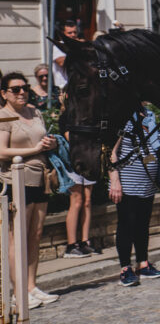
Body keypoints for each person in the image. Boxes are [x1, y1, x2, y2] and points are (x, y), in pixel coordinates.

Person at [0, 72, 60, 309]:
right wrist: (34, 149)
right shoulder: (4, 117)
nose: (22, 92)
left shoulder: (34, 112)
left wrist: (50, 143)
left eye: (24, 88)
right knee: (18, 237)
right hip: (17, 178)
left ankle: (32, 286)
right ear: (4, 93)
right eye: (15, 89)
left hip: (40, 177)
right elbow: (1, 151)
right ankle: (18, 293)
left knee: (35, 234)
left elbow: (43, 138)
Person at [109, 104, 160, 287]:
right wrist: (115, 181)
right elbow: (111, 152)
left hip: (147, 183)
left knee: (143, 223)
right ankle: (125, 268)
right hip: (128, 182)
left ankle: (143, 263)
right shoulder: (122, 116)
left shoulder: (148, 115)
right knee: (126, 225)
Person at [56, 24, 99, 258]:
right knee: (76, 199)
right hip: (74, 156)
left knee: (89, 200)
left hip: (87, 152)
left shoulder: (85, 113)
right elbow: (68, 136)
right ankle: (72, 244)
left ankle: (86, 239)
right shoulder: (66, 116)